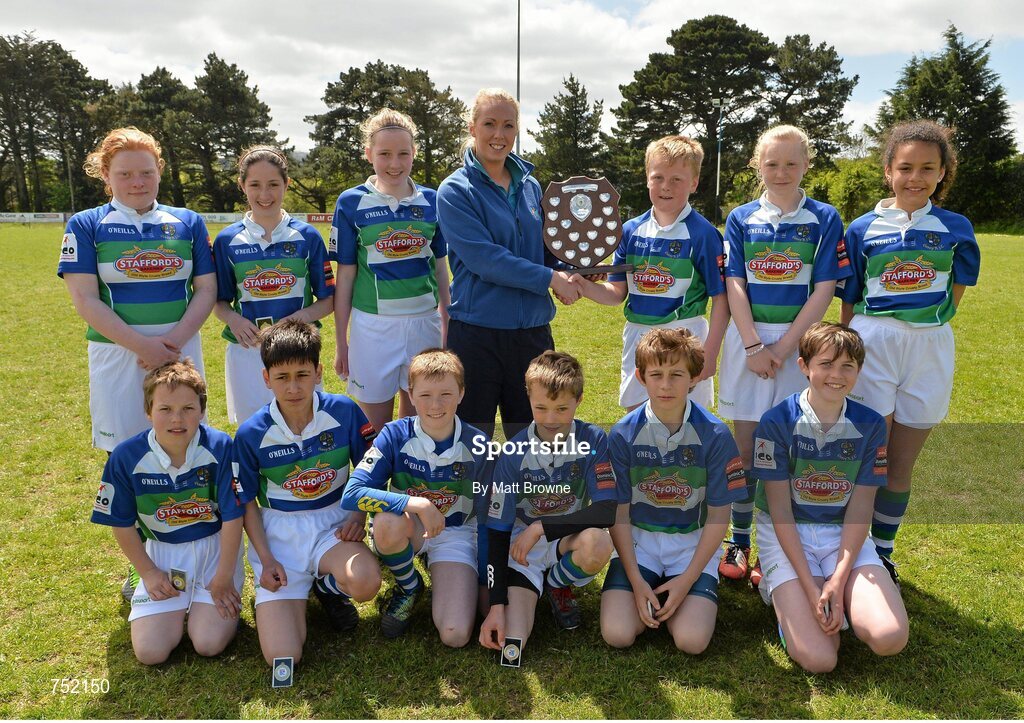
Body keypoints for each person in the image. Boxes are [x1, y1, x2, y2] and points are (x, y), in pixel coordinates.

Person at [837, 120, 980, 580]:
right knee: (869, 459)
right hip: (873, 341)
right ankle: (849, 551)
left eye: (927, 168)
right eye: (905, 167)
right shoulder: (861, 227)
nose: (914, 177)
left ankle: (882, 552)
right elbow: (850, 295)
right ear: (887, 171)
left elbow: (959, 286)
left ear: (943, 173)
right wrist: (846, 350)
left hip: (930, 347)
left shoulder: (956, 227)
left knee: (901, 464)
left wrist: (929, 325)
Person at [717, 125, 851, 584]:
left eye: (791, 163)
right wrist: (754, 344)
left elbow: (825, 287)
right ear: (758, 165)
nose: (781, 171)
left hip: (798, 345)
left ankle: (775, 539)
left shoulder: (825, 217)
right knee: (745, 447)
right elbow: (734, 282)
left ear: (806, 165)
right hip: (748, 341)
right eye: (772, 163)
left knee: (789, 447)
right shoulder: (740, 217)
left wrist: (783, 347)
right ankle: (738, 538)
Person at [753, 322, 908, 672]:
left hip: (842, 533)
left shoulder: (870, 425)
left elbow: (860, 507)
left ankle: (839, 593)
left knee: (889, 638)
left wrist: (838, 580)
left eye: (847, 367)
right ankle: (781, 594)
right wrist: (811, 589)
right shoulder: (775, 422)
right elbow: (778, 510)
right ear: (804, 366)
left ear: (858, 371)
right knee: (820, 658)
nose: (836, 375)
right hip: (786, 532)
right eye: (825, 364)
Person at [59, 126, 216, 452]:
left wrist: (169, 346)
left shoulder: (189, 222)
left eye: (146, 172)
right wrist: (144, 347)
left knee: (187, 446)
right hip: (118, 355)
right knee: (124, 453)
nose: (137, 182)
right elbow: (85, 300)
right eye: (125, 173)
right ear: (106, 174)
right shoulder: (85, 224)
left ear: (159, 170)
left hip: (180, 353)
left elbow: (206, 289)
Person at [234, 320, 381, 667]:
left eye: (302, 374)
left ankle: (326, 588)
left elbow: (370, 467)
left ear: (317, 372)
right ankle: (296, 596)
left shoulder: (344, 411)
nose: (293, 387)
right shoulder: (250, 432)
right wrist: (267, 559)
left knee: (366, 582)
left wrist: (358, 515)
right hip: (279, 535)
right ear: (266, 378)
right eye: (282, 377)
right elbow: (247, 502)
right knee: (283, 657)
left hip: (333, 525)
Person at [436, 88, 580, 441]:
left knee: (533, 436)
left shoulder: (530, 186)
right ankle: (478, 499)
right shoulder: (455, 190)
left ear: (517, 131)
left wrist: (574, 268)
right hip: (477, 335)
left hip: (532, 335)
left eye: (508, 126)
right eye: (489, 124)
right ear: (472, 127)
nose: (498, 135)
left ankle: (531, 500)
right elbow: (486, 260)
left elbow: (543, 248)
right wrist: (551, 277)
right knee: (472, 440)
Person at [601, 329, 746, 652]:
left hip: (690, 545)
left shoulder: (716, 434)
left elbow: (720, 514)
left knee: (691, 641)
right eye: (656, 375)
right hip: (640, 542)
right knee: (618, 634)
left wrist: (688, 579)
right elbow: (619, 513)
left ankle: (679, 596)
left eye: (676, 375)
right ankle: (648, 592)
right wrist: (637, 583)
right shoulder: (623, 434)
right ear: (641, 377)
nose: (666, 385)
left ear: (694, 377)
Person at [90, 360, 244, 665]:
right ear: (148, 410)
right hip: (161, 554)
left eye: (188, 408)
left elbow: (232, 517)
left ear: (202, 410)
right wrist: (148, 571)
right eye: (165, 409)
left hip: (214, 551)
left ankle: (209, 609)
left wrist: (224, 576)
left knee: (208, 643)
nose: (177, 419)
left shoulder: (221, 447)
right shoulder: (125, 457)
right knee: (150, 652)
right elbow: (120, 523)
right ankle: (144, 585)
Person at [341, 349, 491, 644]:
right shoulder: (394, 434)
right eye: (425, 395)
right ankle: (408, 586)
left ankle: (447, 578)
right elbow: (352, 494)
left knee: (456, 635)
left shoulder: (478, 444)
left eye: (446, 394)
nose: (435, 405)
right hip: (410, 527)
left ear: (462, 393)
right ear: (410, 394)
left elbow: (488, 517)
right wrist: (417, 504)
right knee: (386, 523)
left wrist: (487, 581)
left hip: (456, 533)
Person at [573, 135, 728, 412]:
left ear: (693, 183)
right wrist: (582, 286)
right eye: (658, 177)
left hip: (687, 338)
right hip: (638, 337)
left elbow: (721, 298)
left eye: (676, 179)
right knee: (637, 419)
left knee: (689, 424)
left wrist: (711, 352)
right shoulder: (629, 231)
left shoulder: (703, 234)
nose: (665, 186)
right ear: (647, 178)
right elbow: (616, 293)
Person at [479, 351, 616, 658]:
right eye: (541, 408)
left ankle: (556, 584)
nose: (551, 419)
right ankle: (533, 589)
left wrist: (542, 527)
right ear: (528, 398)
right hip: (522, 551)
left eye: (562, 408)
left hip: (566, 540)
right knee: (511, 647)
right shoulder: (513, 452)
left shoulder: (593, 438)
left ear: (579, 400)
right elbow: (498, 532)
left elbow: (607, 509)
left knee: (598, 543)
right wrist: (496, 605)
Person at [329, 109, 450, 434]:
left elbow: (441, 271)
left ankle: (410, 486)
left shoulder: (432, 200)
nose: (394, 163)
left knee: (418, 426)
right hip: (373, 328)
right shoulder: (351, 202)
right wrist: (342, 342)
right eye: (384, 154)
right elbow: (346, 279)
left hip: (424, 325)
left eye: (403, 154)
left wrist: (446, 326)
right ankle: (376, 484)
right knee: (376, 431)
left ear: (414, 154)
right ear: (369, 154)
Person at [213, 145, 335, 424]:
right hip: (247, 352)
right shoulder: (227, 241)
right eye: (255, 184)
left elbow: (328, 299)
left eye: (273, 185)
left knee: (305, 425)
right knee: (254, 428)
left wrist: (299, 319)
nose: (264, 194)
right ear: (242, 185)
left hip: (299, 350)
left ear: (287, 185)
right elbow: (218, 301)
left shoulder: (307, 237)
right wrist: (233, 319)